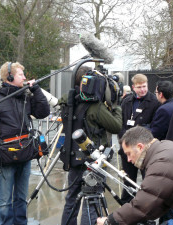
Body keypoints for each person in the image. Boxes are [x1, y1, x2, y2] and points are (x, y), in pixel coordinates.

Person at [0, 62, 50, 225]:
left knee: (21, 197)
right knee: (5, 201)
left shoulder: (26, 95)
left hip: (25, 153)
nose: (25, 77)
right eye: (21, 74)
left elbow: (43, 112)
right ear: (10, 77)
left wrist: (37, 91)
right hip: (5, 157)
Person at [60, 66, 122, 225]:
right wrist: (116, 106)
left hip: (73, 157)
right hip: (94, 159)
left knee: (72, 199)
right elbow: (116, 126)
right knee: (92, 201)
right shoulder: (95, 107)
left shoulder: (68, 100)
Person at [118, 73, 160, 203]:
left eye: (144, 86)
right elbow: (121, 123)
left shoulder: (154, 102)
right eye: (139, 87)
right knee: (128, 181)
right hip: (128, 150)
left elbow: (155, 127)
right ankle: (126, 210)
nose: (142, 89)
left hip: (144, 150)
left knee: (147, 182)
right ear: (133, 87)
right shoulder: (126, 101)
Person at [149, 80, 173, 223]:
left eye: (156, 92)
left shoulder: (163, 110)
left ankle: (167, 221)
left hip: (165, 153)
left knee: (164, 194)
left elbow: (155, 132)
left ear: (160, 94)